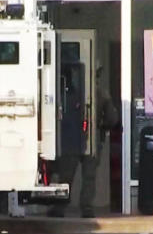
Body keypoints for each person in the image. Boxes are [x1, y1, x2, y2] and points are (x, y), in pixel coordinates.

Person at [49, 67, 119, 218]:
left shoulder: (70, 92)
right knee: (89, 177)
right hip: (92, 140)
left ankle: (60, 207)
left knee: (66, 175)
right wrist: (101, 128)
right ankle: (86, 208)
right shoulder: (102, 94)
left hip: (72, 139)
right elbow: (112, 119)